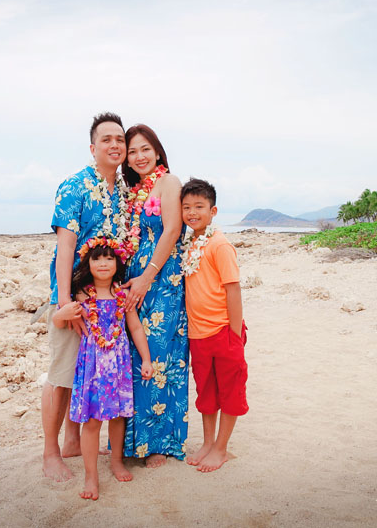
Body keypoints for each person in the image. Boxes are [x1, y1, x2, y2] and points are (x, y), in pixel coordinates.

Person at [41, 112, 129, 482]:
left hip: (106, 298)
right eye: (106, 139)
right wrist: (64, 302)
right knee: (62, 374)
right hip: (73, 296)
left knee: (87, 372)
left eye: (120, 140)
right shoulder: (74, 186)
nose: (115, 145)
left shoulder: (122, 192)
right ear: (93, 148)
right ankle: (50, 453)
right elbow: (66, 247)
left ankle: (74, 441)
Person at [53, 239, 153, 500]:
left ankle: (117, 461)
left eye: (109, 258)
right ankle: (91, 476)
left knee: (118, 416)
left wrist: (145, 359)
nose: (103, 263)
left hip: (119, 365)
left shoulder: (122, 295)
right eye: (97, 258)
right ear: (88, 263)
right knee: (94, 420)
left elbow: (135, 328)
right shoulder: (82, 296)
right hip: (93, 366)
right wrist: (62, 314)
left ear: (117, 262)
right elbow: (58, 319)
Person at [119, 124, 189, 467]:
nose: (139, 156)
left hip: (162, 279)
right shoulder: (133, 190)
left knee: (160, 356)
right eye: (132, 152)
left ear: (158, 151)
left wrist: (147, 277)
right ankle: (134, 441)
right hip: (135, 279)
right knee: (135, 356)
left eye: (145, 149)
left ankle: (158, 444)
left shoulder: (169, 182)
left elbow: (173, 229)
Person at [179, 178, 248, 473]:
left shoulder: (219, 245)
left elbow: (233, 289)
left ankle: (221, 448)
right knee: (206, 393)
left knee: (230, 392)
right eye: (186, 207)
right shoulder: (190, 243)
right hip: (198, 335)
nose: (192, 212)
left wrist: (234, 334)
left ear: (213, 210)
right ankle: (207, 443)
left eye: (199, 206)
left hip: (223, 332)